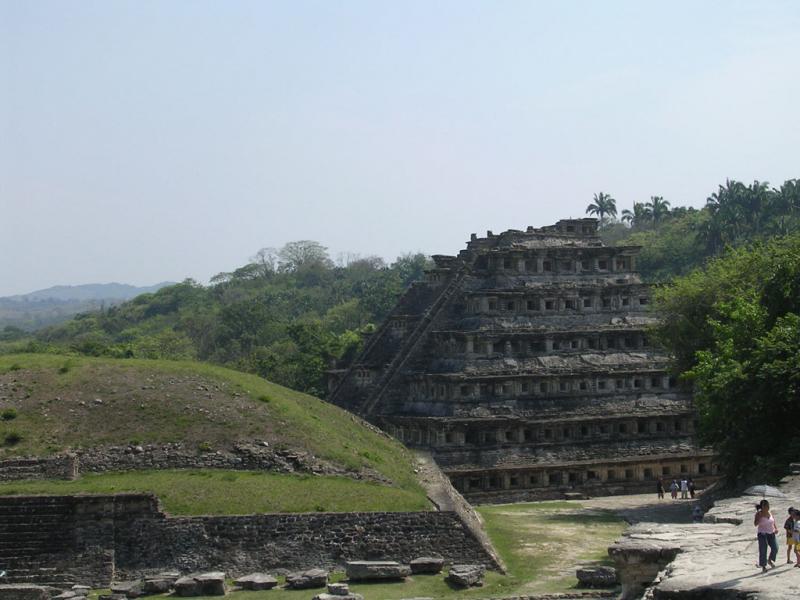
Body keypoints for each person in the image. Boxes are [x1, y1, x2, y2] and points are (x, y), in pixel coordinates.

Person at [754, 499, 779, 572]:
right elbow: (755, 524)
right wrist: (759, 517)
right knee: (763, 550)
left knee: (775, 548)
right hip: (762, 534)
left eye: (768, 506)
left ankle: (770, 560)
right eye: (765, 506)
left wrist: (776, 528)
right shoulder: (758, 514)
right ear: (762, 507)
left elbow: (773, 522)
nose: (767, 507)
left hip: (771, 533)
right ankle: (763, 566)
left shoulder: (770, 513)